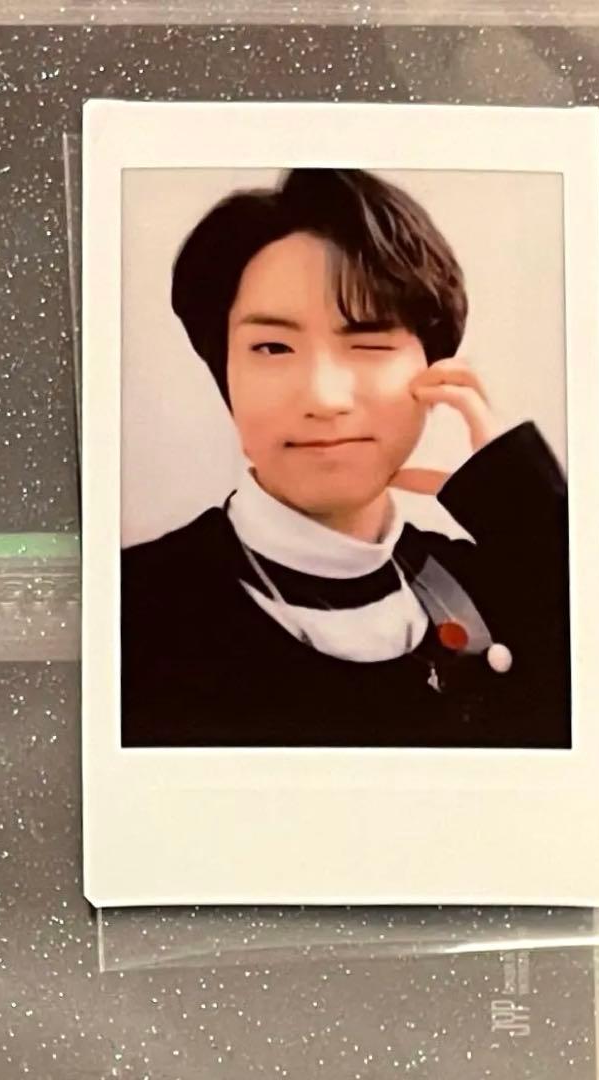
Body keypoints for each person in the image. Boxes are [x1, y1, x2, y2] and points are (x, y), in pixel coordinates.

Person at [121, 168, 570, 748]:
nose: (324, 398)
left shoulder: (512, 583)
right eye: (273, 347)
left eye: (370, 345)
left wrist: (524, 504)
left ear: (435, 370)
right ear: (224, 373)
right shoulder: (133, 606)